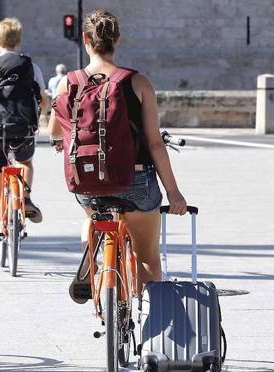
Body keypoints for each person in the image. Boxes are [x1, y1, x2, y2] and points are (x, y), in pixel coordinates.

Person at [47, 9, 187, 302]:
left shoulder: (67, 83)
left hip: (87, 180)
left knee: (92, 212)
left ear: (85, 39)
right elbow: (154, 144)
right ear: (117, 39)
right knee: (147, 256)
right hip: (135, 181)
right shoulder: (138, 82)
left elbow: (55, 132)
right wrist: (174, 193)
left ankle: (91, 248)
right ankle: (151, 323)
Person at [0, 18, 49, 258]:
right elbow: (44, 100)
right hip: (24, 132)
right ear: (19, 40)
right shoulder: (31, 67)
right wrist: (40, 117)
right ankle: (24, 197)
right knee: (25, 163)